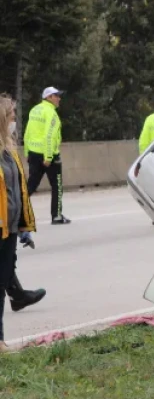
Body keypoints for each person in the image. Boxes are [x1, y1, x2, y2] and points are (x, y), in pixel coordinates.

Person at [0, 94, 38, 353]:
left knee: (1, 286)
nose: (15, 120)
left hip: (10, 229)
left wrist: (24, 226)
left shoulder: (10, 150)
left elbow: (19, 189)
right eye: (12, 116)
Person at [24, 87, 69, 225]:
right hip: (48, 156)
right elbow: (49, 136)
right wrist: (48, 157)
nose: (59, 98)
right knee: (57, 186)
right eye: (56, 96)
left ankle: (13, 211)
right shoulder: (51, 113)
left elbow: (27, 132)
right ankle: (56, 216)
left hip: (33, 153)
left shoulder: (34, 110)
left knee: (31, 185)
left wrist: (27, 152)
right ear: (49, 97)